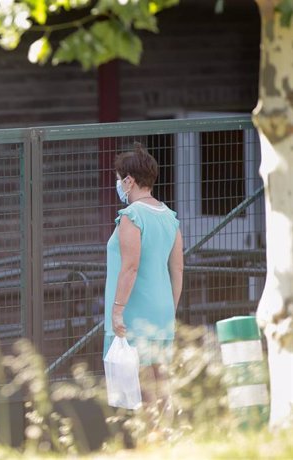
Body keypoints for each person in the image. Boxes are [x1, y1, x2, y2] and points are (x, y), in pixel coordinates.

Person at [103, 142, 184, 409]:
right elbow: (177, 269)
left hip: (136, 311)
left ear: (129, 181)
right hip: (162, 309)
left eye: (118, 179)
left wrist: (117, 310)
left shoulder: (132, 215)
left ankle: (152, 443)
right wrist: (170, 308)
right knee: (161, 388)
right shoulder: (170, 217)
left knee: (142, 391)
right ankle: (167, 441)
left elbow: (130, 267)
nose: (118, 184)